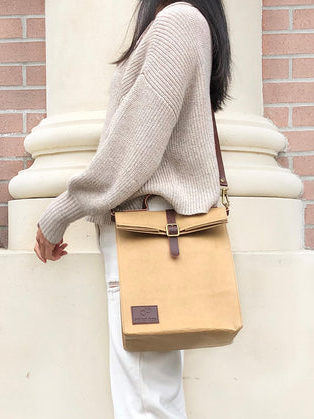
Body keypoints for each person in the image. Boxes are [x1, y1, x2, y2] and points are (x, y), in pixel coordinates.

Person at [33, 0, 232, 417]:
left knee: (143, 397)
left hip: (149, 234)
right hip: (160, 233)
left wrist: (62, 211)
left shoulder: (176, 21)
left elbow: (136, 142)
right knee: (154, 391)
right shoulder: (191, 22)